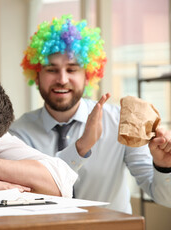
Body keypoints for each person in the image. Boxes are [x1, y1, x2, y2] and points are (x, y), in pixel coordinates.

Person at [9, 15, 171, 213]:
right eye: (52, 69)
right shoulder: (18, 134)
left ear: (88, 75)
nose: (62, 79)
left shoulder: (121, 124)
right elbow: (25, 195)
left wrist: (163, 166)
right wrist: (80, 147)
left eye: (72, 69)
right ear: (36, 75)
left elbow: (165, 199)